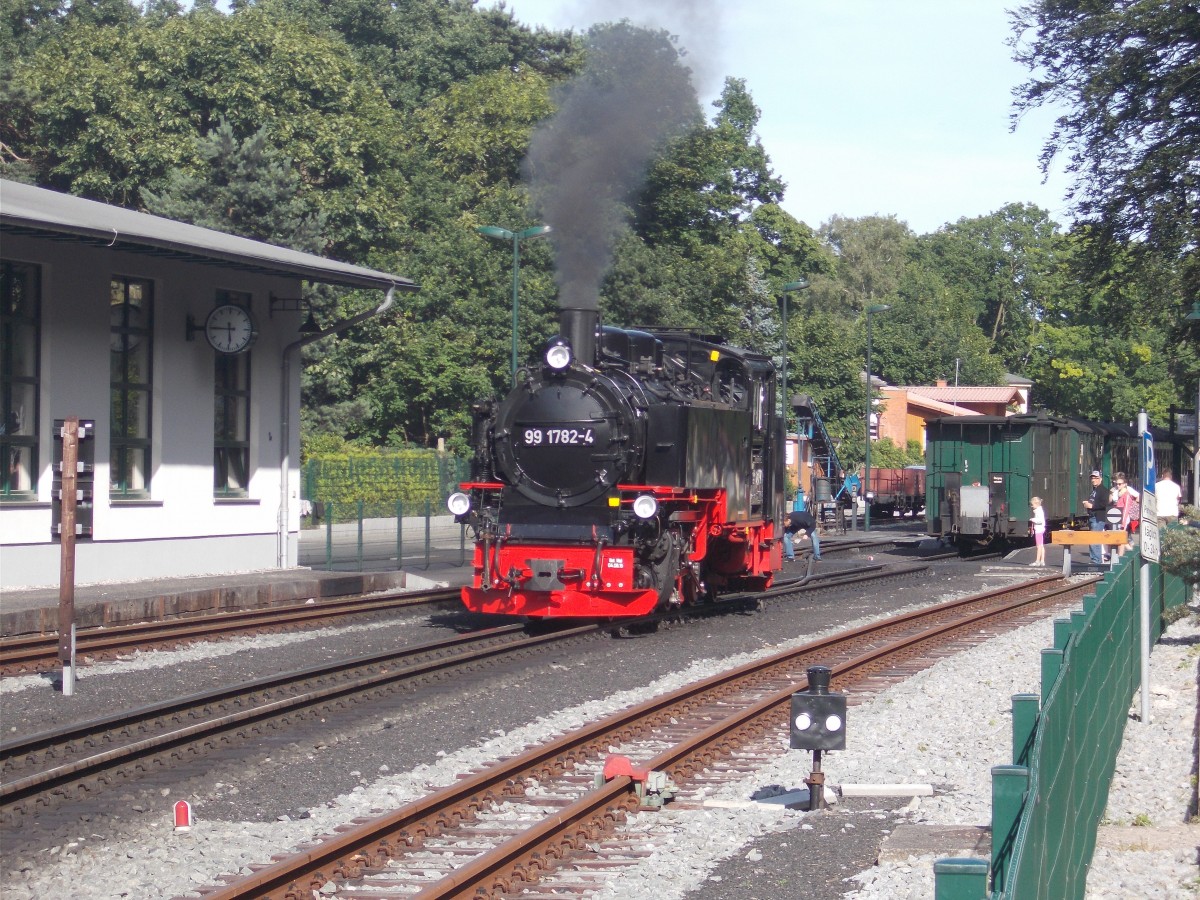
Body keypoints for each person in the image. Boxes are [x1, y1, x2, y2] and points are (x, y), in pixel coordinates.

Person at [1081, 470, 1110, 566]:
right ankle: (1094, 559)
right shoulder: (1094, 490)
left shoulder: (1104, 490)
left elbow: (1104, 503)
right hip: (1092, 517)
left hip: (1098, 518)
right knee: (1092, 539)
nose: (1093, 480)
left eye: (1096, 478)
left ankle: (1096, 562)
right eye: (1092, 478)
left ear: (1100, 479)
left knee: (1094, 540)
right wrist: (1087, 503)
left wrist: (1091, 506)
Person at [1111, 472, 1139, 558]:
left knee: (1121, 538)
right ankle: (1128, 552)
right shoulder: (1117, 492)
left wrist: (1123, 522)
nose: (1118, 485)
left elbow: (1126, 509)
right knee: (1119, 537)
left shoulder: (1126, 494)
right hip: (1117, 517)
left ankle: (1123, 555)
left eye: (1120, 484)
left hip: (1123, 517)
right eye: (1116, 484)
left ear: (1124, 484)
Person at [1029, 496, 1046, 566]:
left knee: (1038, 546)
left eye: (1032, 504)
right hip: (1041, 529)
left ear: (1036, 504)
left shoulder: (1038, 511)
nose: (1032, 506)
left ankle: (1037, 561)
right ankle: (1042, 561)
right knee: (1041, 546)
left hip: (1039, 530)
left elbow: (1040, 521)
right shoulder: (1040, 510)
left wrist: (1033, 519)